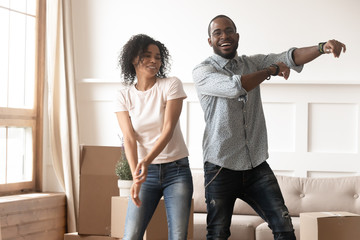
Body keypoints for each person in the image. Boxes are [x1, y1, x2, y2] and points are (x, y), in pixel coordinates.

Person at [192, 15, 346, 240]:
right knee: (217, 234)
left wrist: (322, 47)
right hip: (220, 166)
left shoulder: (251, 62)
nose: (224, 36)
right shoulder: (203, 72)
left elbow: (289, 57)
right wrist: (271, 71)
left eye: (229, 31)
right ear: (210, 41)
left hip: (256, 165)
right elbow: (237, 86)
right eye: (217, 33)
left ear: (237, 36)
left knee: (283, 227)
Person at [115, 34, 193, 240]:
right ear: (133, 59)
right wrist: (136, 176)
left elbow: (168, 130)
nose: (153, 61)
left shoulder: (171, 85)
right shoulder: (124, 95)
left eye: (157, 57)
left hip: (177, 171)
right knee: (130, 236)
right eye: (147, 56)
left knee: (178, 236)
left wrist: (146, 162)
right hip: (145, 175)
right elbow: (129, 139)